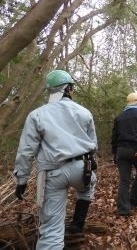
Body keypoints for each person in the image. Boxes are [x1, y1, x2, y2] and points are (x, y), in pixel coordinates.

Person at [13, 70, 97, 250]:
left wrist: (21, 179)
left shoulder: (37, 115)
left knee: (51, 231)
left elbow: (27, 150)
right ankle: (78, 223)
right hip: (82, 169)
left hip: (53, 173)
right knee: (87, 188)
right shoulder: (84, 113)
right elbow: (93, 145)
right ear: (69, 89)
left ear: (50, 91)